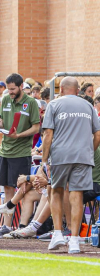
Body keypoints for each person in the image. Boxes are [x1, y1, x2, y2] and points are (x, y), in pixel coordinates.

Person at [42, 76, 100, 254]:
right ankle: (74, 240)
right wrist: (90, 151)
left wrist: (45, 159)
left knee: (57, 191)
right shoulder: (89, 106)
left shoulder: (54, 104)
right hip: (83, 155)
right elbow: (97, 135)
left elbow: (48, 135)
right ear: (77, 90)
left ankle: (58, 233)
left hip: (60, 155)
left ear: (61, 90)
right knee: (77, 195)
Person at [0, 73, 40, 238]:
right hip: (5, 150)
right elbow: (2, 121)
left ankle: (23, 225)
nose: (10, 92)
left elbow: (36, 127)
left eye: (12, 89)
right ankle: (7, 226)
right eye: (8, 89)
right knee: (7, 188)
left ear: (20, 87)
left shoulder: (31, 103)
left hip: (21, 152)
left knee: (23, 188)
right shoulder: (5, 100)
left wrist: (20, 135)